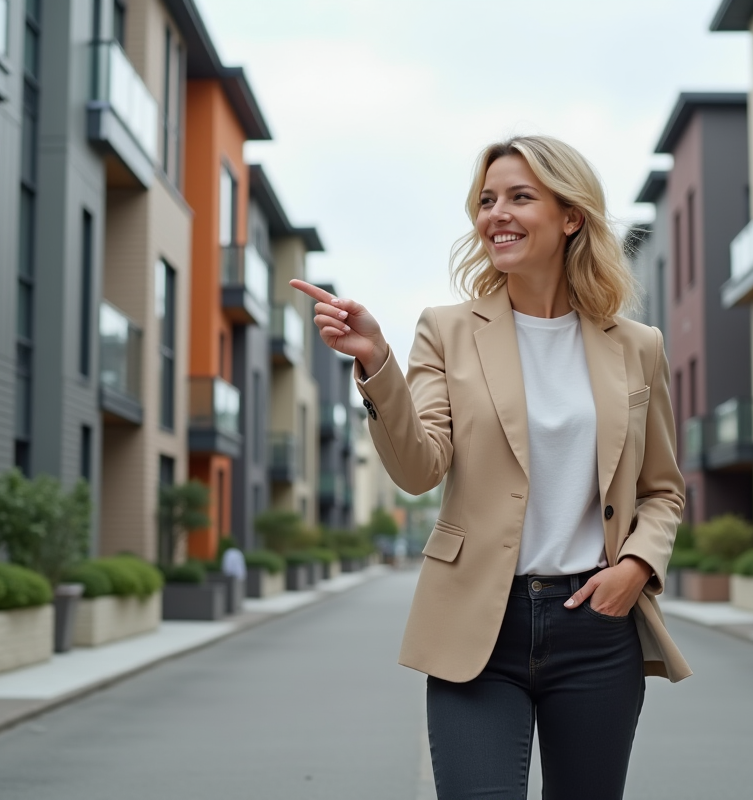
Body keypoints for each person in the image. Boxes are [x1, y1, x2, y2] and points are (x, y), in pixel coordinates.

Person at [292, 135, 689, 799]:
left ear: (571, 217)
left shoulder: (637, 347)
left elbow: (662, 490)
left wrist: (637, 568)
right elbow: (419, 468)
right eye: (486, 201)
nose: (495, 213)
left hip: (596, 625)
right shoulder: (445, 330)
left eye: (519, 197)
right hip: (478, 621)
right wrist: (376, 363)